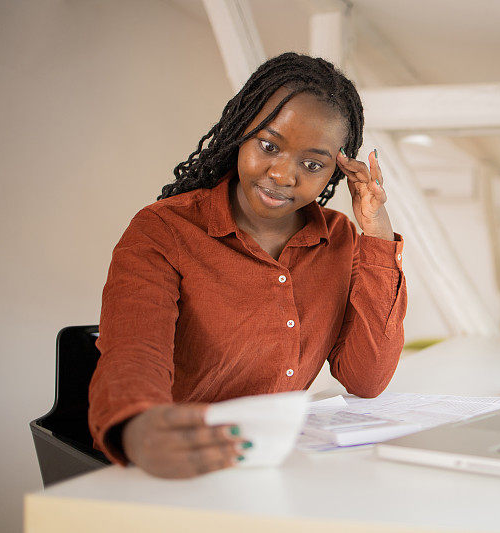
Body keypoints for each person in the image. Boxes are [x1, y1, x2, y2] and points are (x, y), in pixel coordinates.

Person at [88, 52, 408, 479]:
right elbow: (134, 353)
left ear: (338, 169)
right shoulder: (164, 230)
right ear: (241, 134)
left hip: (272, 467)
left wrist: (377, 236)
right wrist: (139, 426)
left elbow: (366, 379)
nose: (283, 175)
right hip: (175, 463)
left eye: (312, 164)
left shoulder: (342, 240)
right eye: (269, 146)